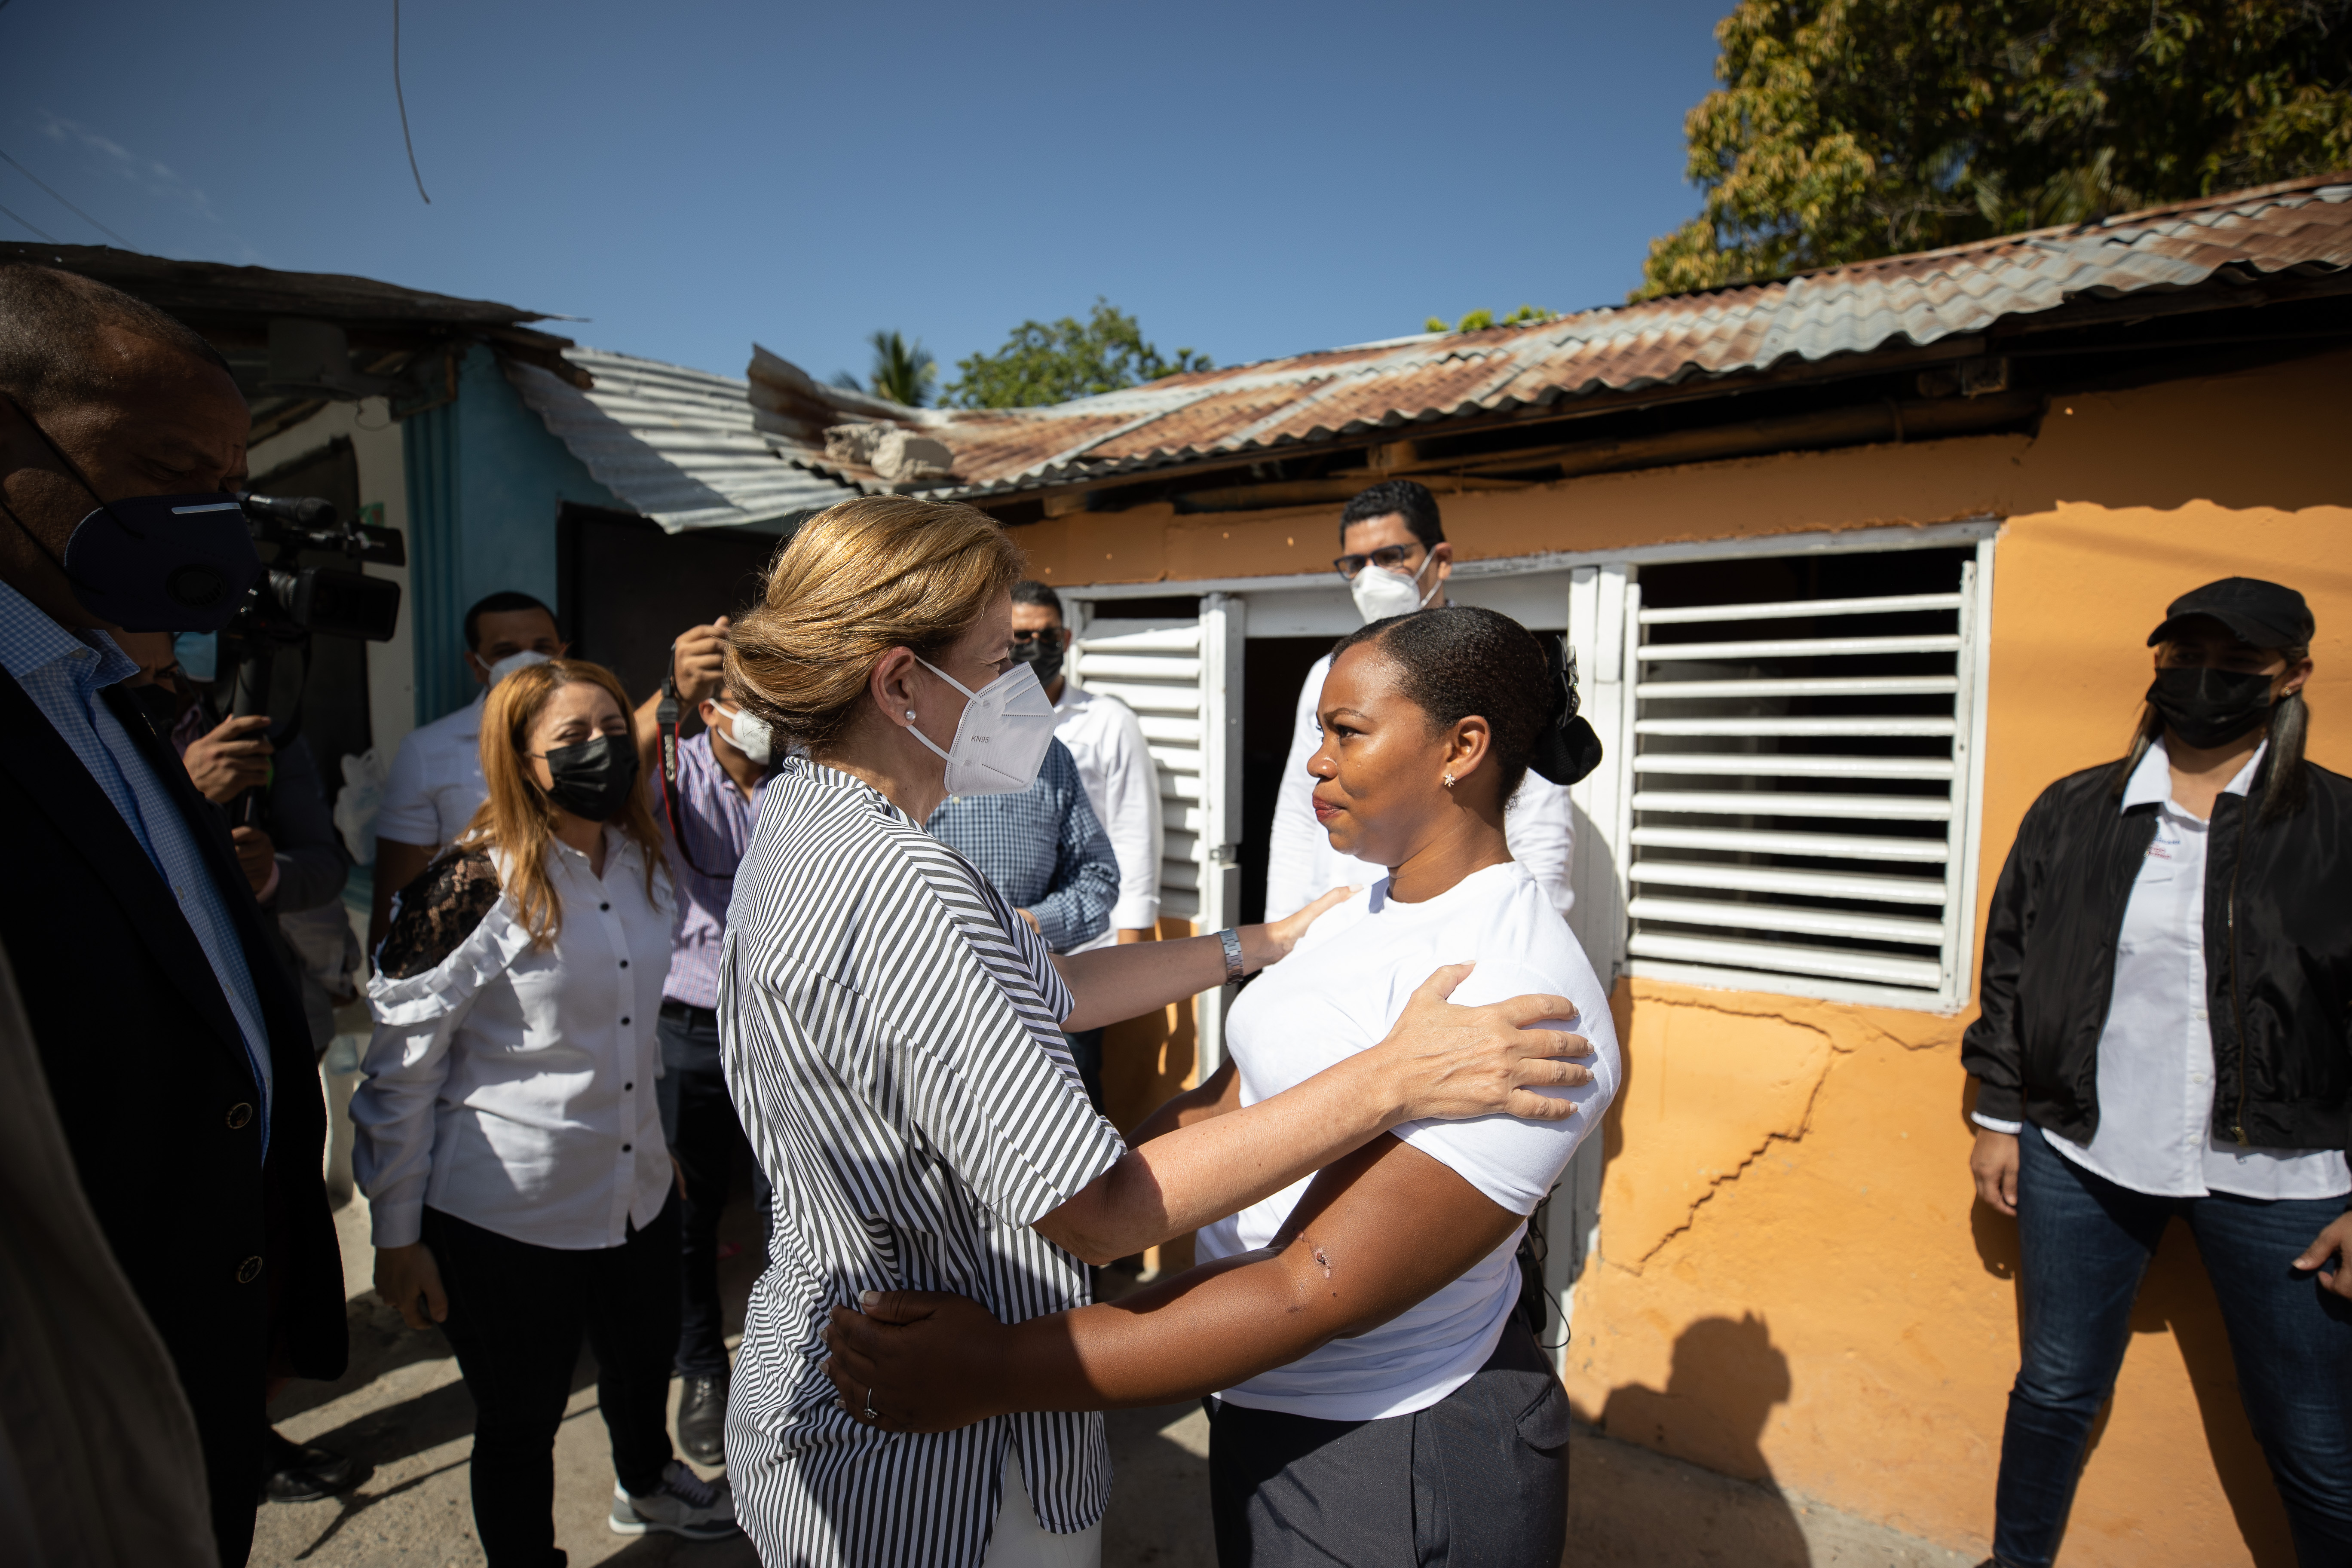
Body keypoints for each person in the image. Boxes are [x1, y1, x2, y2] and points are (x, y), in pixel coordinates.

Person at [713, 496, 1594, 1568]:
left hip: (1364, 1423)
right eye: (997, 659)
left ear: (1463, 749)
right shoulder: (904, 881)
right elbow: (1108, 1210)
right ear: (900, 685)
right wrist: (1386, 1079)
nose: (1312, 763)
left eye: (1345, 731)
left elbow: (1046, 989)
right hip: (923, 1417)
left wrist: (1256, 945)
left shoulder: (800, 824)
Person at [0, 261, 346, 1566]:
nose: (203, 516)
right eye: (162, 467)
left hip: (205, 1353)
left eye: (226, 482)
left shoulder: (103, 696)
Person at [1962, 577, 2352, 1568]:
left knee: (2313, 1443)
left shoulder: (2337, 826)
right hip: (2083, 1153)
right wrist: (1997, 1116)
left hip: (2281, 1178)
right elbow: (2010, 965)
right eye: (2185, 656)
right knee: (2052, 1390)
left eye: (2237, 662)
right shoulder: (2074, 811)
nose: (2205, 678)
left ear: (2292, 675)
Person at [353, 657, 738, 1562]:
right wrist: (397, 1234)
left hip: (636, 1193)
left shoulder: (642, 860)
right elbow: (400, 1073)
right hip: (505, 1216)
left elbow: (631, 1027)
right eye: (571, 738)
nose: (601, 748)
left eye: (610, 727)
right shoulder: (471, 884)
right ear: (520, 761)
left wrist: (652, 1147)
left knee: (640, 1368)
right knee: (520, 1418)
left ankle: (647, 1485)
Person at [118, 631, 368, 1507]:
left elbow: (323, 867)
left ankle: (244, 1434)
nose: (171, 668)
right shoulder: (78, 733)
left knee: (259, 1248)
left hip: (263, 1033)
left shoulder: (259, 732)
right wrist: (181, 797)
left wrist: (268, 874)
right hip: (140, 1052)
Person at [1264, 479, 1576, 922]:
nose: (1371, 577)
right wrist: (1282, 934)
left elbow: (1539, 828)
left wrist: (1527, 933)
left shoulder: (1489, 669)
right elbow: (1299, 810)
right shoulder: (1327, 675)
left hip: (1446, 934)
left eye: (1390, 557)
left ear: (1440, 561)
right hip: (1334, 924)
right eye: (1356, 564)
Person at [370, 591, 726, 956]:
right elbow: (397, 906)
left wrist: (677, 696)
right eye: (506, 651)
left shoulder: (631, 867)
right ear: (521, 761)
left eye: (542, 647)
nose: (529, 660)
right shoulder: (427, 755)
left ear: (562, 651)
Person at [646, 662, 779, 1467]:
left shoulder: (802, 777)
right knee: (688, 1217)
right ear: (708, 709)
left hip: (780, 1027)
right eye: (750, 702)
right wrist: (662, 690)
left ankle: (783, 1366)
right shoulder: (664, 769)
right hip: (686, 1025)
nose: (768, 717)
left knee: (788, 1206)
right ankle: (700, 1367)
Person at [1009, 578, 1165, 1112]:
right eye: (1019, 636)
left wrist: (1131, 949)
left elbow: (1134, 831)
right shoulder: (978, 727)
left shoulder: (1107, 722)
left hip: (1081, 949)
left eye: (1045, 635)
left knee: (1072, 1087)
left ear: (1067, 638)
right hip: (997, 945)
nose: (1033, 647)